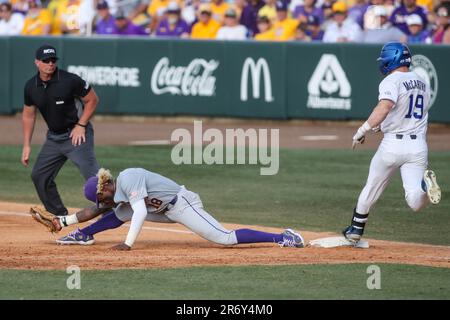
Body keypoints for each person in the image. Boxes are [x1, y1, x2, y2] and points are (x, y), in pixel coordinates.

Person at [53, 168, 305, 250]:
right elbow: (95, 211)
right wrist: (64, 221)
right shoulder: (115, 194)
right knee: (119, 213)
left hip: (182, 204)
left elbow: (140, 212)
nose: (102, 202)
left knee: (224, 238)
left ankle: (283, 237)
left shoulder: (128, 178)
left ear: (105, 185)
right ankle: (84, 235)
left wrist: (128, 244)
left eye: (101, 197)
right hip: (164, 210)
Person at [343, 42, 441, 244]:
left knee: (371, 186)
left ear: (391, 59)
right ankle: (425, 187)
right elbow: (405, 112)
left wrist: (363, 130)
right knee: (414, 200)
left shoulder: (391, 80)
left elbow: (385, 107)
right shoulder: (422, 81)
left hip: (393, 145)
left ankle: (355, 229)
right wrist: (382, 125)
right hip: (417, 147)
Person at [22, 45, 100, 217]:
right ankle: (59, 216)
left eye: (53, 60)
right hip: (54, 138)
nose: (50, 64)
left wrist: (81, 126)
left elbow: (92, 100)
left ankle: (112, 211)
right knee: (39, 176)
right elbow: (28, 115)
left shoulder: (69, 80)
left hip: (76, 135)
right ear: (37, 62)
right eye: (46, 61)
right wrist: (26, 145)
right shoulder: (31, 86)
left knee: (95, 179)